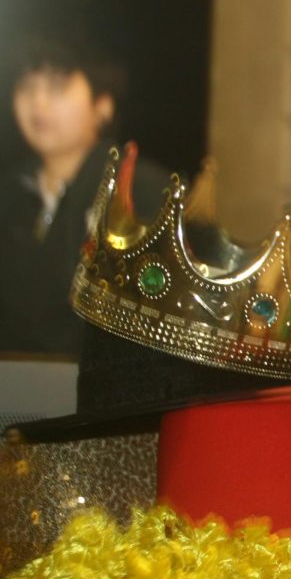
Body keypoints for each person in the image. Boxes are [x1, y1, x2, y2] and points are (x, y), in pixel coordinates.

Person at [0, 34, 172, 356]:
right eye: (26, 88)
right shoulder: (9, 192)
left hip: (95, 392)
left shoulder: (140, 191)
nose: (38, 103)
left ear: (102, 105)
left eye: (57, 87)